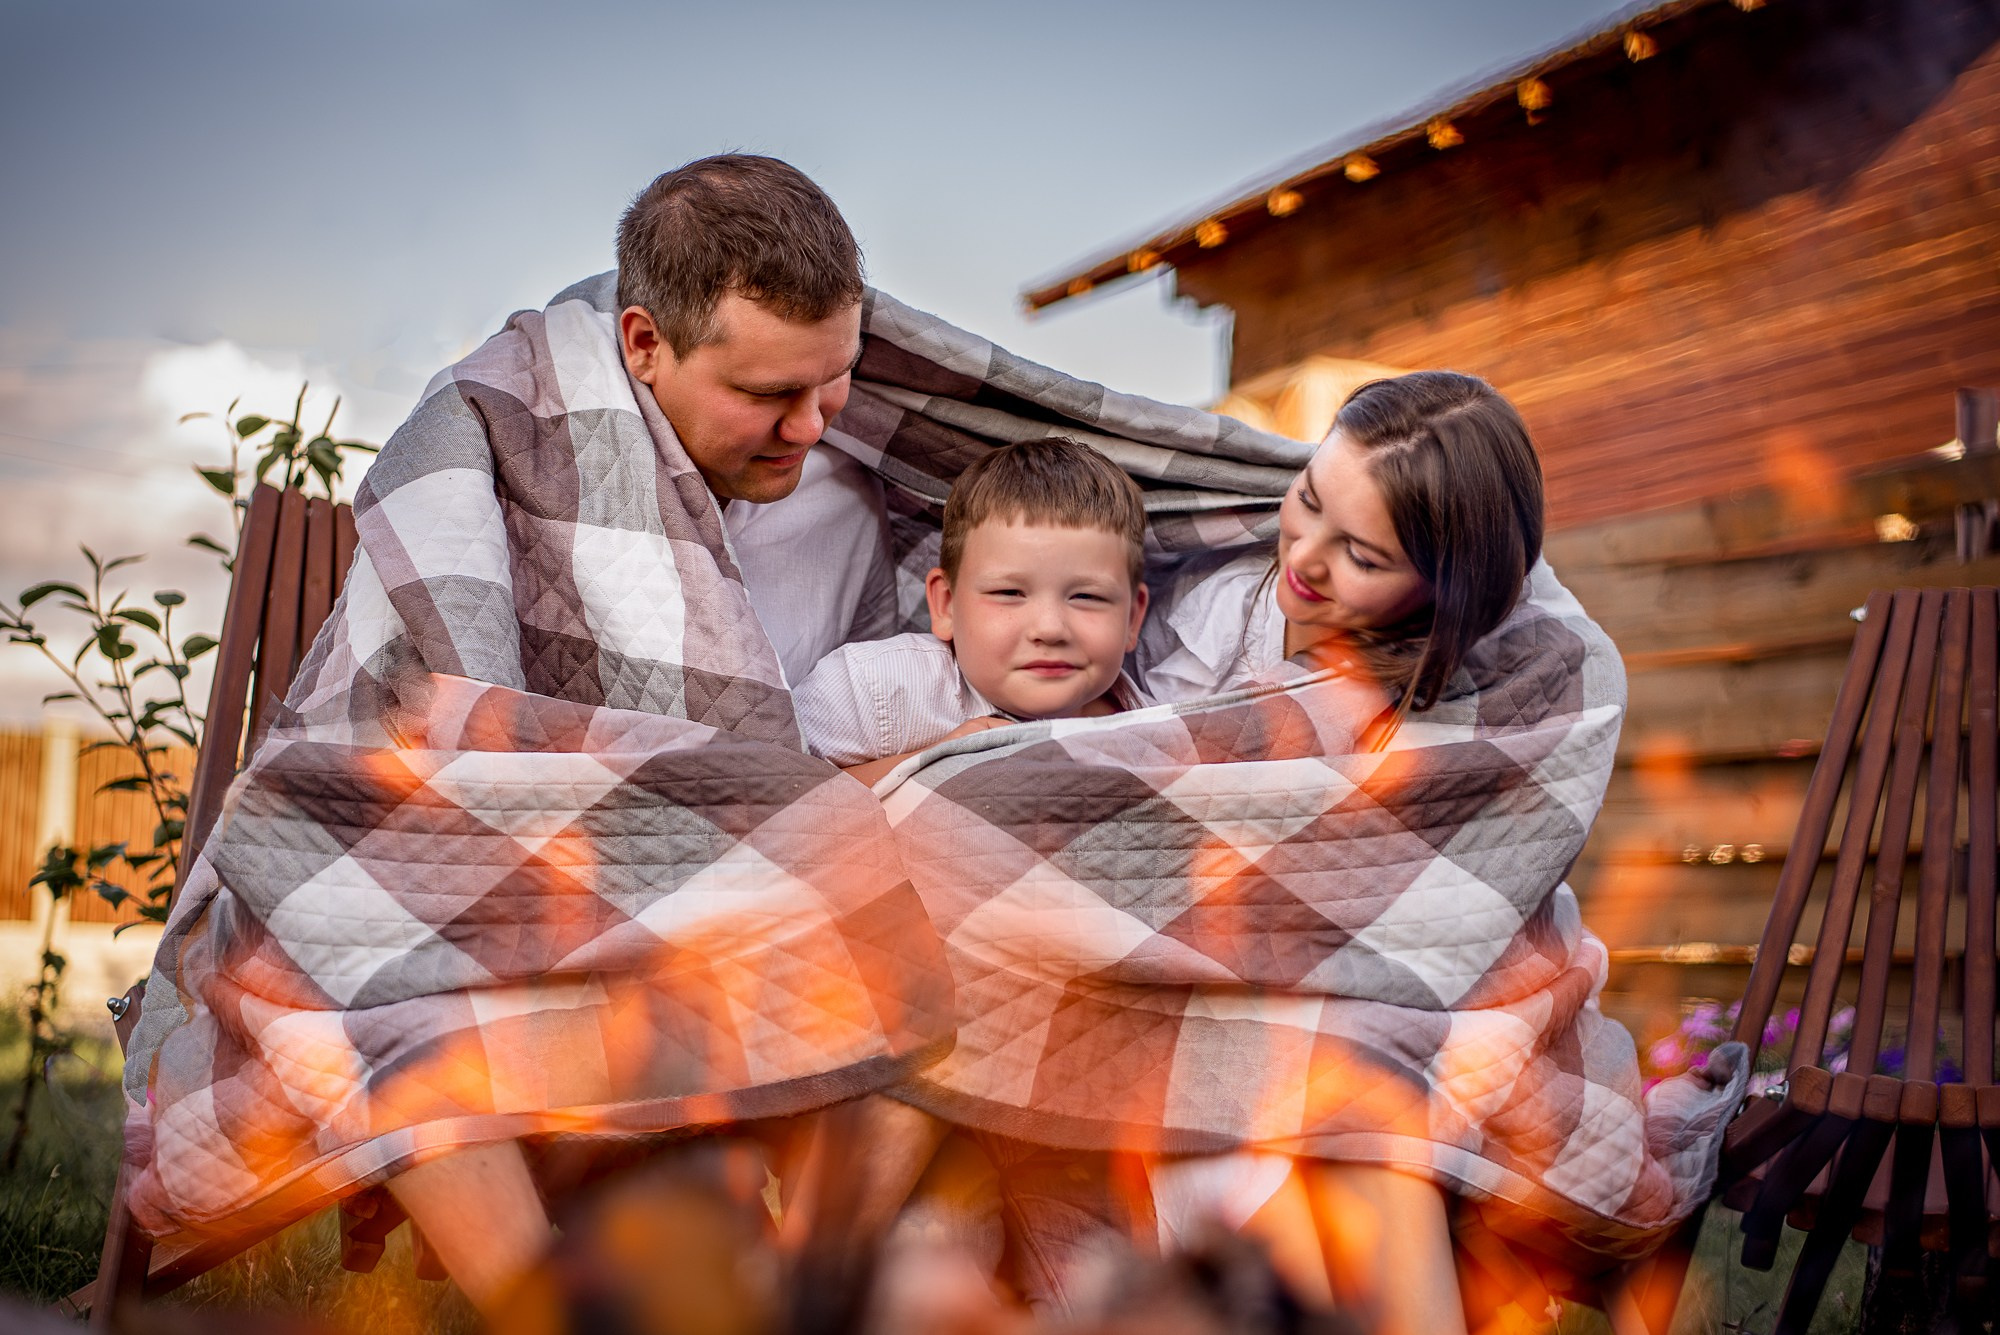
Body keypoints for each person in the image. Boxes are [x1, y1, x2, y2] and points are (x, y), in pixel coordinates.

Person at [1135, 370, 1546, 1335]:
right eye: (1309, 500)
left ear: (1441, 590)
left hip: (1369, 986)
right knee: (1245, 1142)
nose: (1307, 558)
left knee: (1361, 1115)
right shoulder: (1221, 615)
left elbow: (1428, 881)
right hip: (1198, 968)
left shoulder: (1447, 702)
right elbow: (1132, 769)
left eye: (1360, 553)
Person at [794, 437, 1151, 786]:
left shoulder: (1160, 737)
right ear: (946, 604)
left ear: (1132, 619)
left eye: (1087, 596)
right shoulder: (872, 689)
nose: (1050, 628)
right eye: (1009, 592)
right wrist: (937, 765)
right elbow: (781, 797)